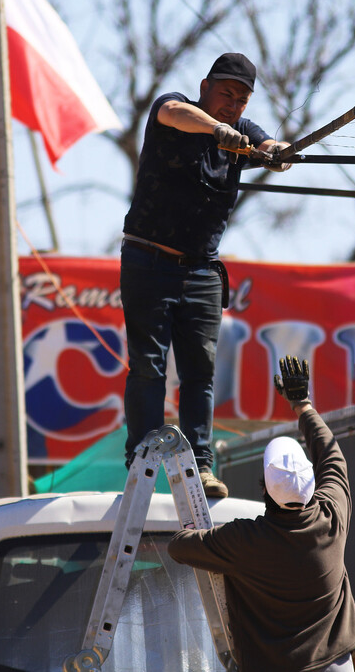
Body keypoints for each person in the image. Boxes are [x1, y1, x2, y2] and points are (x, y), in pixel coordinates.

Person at [121, 52, 290, 498]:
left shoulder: (243, 133)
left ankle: (198, 465)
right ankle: (143, 459)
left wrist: (275, 153)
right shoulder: (174, 109)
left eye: (241, 99)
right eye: (225, 94)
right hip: (148, 262)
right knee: (148, 366)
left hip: (201, 271)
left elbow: (269, 146)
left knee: (200, 372)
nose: (232, 105)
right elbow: (174, 113)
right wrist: (218, 131)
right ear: (204, 87)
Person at [167, 356, 355, 672]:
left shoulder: (245, 540)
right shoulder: (330, 518)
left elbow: (179, 547)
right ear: (312, 485)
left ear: (264, 488)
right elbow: (333, 459)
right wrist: (302, 404)